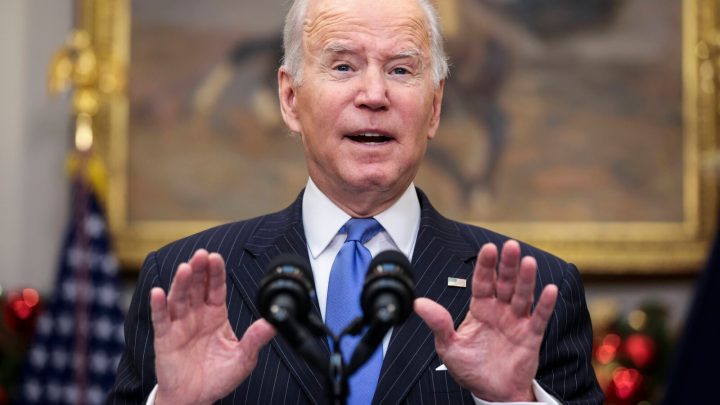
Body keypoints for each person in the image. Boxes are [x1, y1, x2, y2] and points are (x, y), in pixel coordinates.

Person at [108, 0, 603, 403]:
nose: (373, 94)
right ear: (290, 99)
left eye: (401, 69)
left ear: (434, 107)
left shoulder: (539, 292)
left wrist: (514, 403)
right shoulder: (179, 283)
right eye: (343, 66)